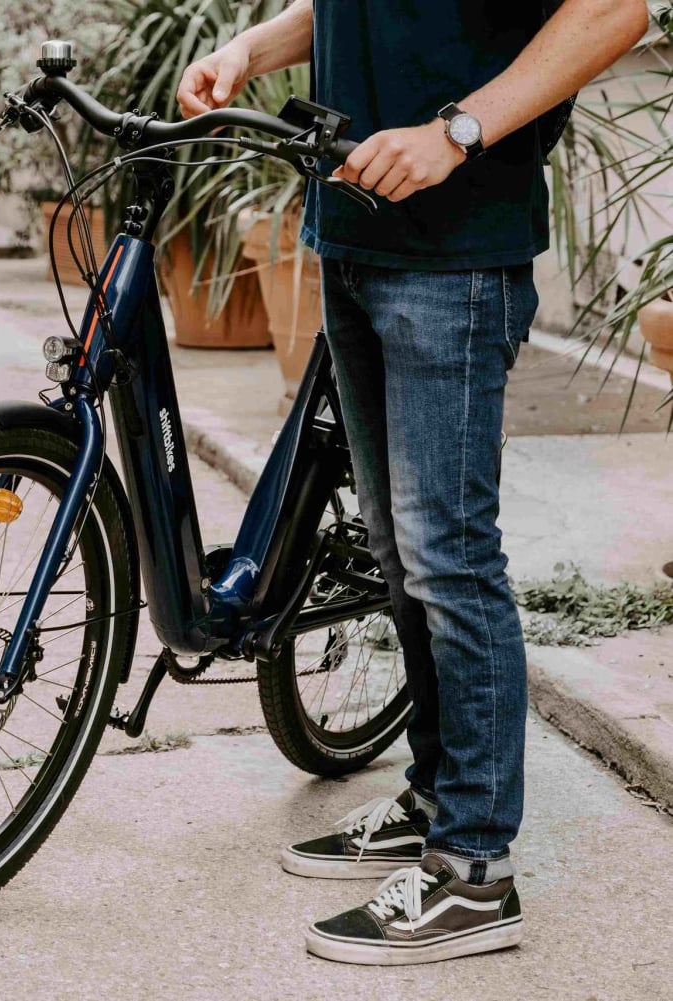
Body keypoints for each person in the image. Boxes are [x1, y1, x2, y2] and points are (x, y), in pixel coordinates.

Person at [177, 0, 647, 966]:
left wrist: (455, 133)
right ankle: (437, 801)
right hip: (354, 238)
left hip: (455, 259)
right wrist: (248, 49)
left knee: (450, 558)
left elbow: (616, 10)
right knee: (400, 552)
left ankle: (475, 868)